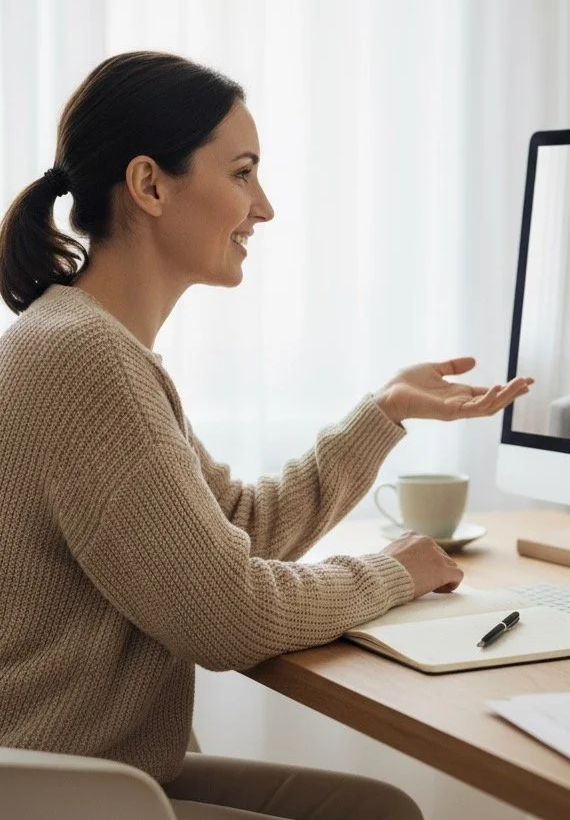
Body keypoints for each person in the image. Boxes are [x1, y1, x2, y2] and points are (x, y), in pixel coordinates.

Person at [0, 51, 533, 820]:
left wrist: (385, 412)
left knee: (378, 808)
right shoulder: (84, 358)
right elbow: (232, 616)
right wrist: (394, 573)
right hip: (60, 794)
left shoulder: (91, 344)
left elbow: (236, 529)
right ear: (149, 185)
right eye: (243, 173)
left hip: (91, 775)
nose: (266, 207)